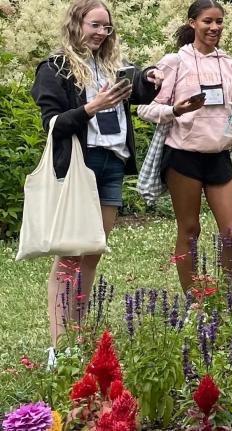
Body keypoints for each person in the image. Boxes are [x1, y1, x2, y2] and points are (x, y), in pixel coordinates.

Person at [31, 0, 162, 354]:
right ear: (77, 23)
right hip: (80, 165)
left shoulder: (110, 65)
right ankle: (59, 347)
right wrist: (92, 107)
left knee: (92, 252)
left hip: (112, 164)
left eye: (107, 28)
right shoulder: (55, 67)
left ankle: (78, 333)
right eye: (95, 25)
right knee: (71, 255)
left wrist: (151, 75)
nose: (102, 33)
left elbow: (140, 85)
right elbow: (53, 123)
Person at [138, 0, 232, 290]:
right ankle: (193, 300)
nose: (214, 27)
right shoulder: (175, 62)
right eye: (207, 21)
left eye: (219, 22)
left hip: (219, 157)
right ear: (192, 23)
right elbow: (145, 108)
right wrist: (176, 110)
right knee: (189, 230)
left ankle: (230, 296)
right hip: (183, 157)